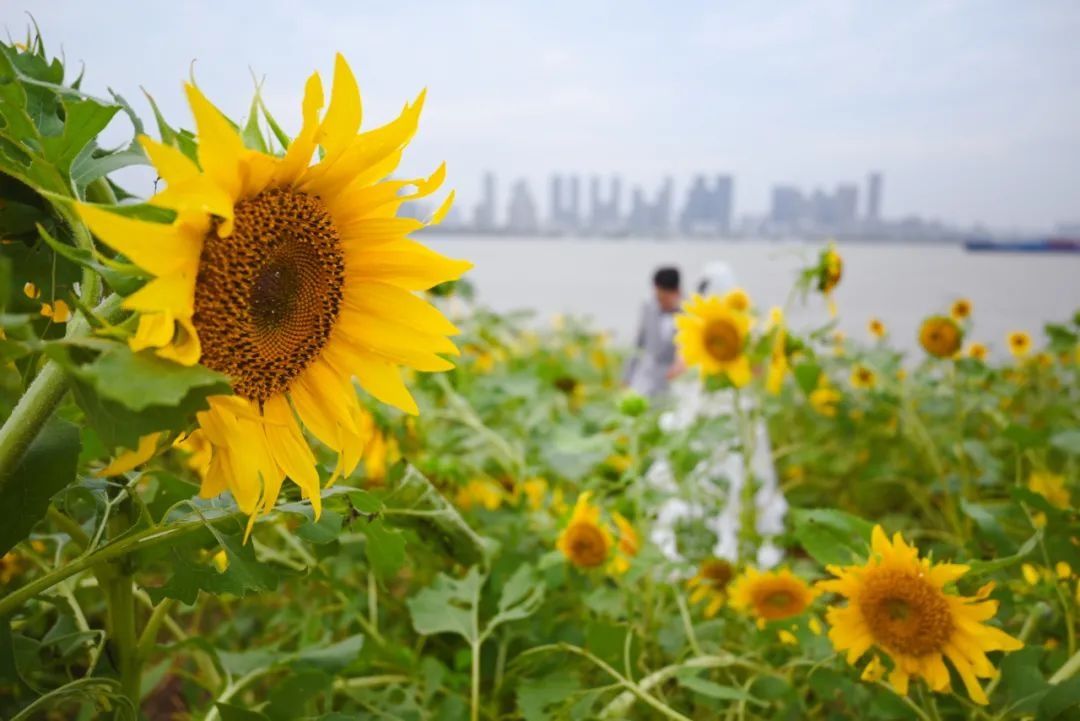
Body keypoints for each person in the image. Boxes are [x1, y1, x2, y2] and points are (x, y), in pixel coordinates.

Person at [623, 266, 682, 398]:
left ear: (677, 292)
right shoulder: (648, 307)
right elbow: (638, 344)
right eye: (657, 297)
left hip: (677, 381)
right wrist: (626, 377)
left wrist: (681, 364)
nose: (660, 303)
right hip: (648, 378)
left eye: (664, 299)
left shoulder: (690, 311)